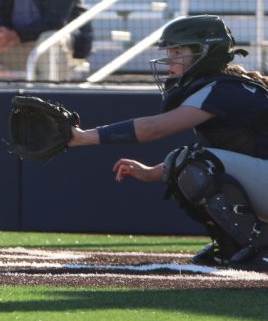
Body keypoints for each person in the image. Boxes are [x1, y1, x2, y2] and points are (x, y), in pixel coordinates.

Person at [69, 15, 268, 271]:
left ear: (204, 52)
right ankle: (233, 247)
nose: (170, 59)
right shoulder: (224, 86)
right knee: (184, 161)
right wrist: (154, 172)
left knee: (192, 163)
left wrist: (83, 136)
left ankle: (260, 247)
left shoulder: (223, 89)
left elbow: (154, 129)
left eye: (178, 51)